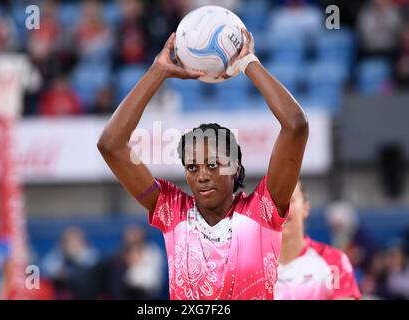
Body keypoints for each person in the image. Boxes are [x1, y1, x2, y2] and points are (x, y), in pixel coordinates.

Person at [97, 29, 309, 300]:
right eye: (193, 168)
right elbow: (110, 145)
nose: (202, 176)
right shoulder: (173, 212)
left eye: (212, 164)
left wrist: (248, 64)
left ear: (234, 166)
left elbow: (296, 125)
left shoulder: (264, 210)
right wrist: (157, 71)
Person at [275, 182, 361, 300]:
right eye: (273, 201)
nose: (281, 208)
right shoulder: (246, 263)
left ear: (305, 208)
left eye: (290, 200)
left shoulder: (334, 261)